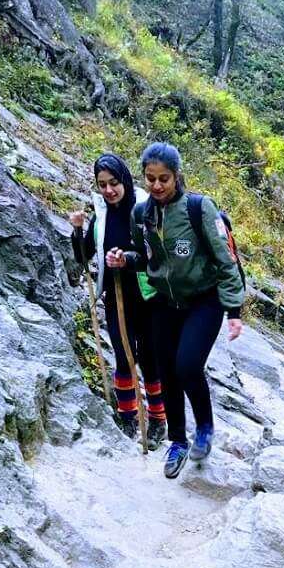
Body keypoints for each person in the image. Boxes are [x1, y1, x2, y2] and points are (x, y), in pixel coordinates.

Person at [107, 142, 244, 478]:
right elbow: (144, 257)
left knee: (187, 365)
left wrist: (234, 310)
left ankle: (205, 429)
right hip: (166, 302)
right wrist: (125, 259)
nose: (156, 186)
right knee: (166, 371)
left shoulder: (199, 209)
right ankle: (178, 441)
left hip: (204, 300)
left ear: (177, 175)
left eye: (164, 179)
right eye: (150, 179)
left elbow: (226, 261)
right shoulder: (142, 214)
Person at [70, 153, 167, 450]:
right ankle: (127, 415)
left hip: (148, 296)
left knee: (150, 360)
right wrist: (77, 230)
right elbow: (84, 256)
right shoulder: (100, 216)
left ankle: (158, 419)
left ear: (124, 179)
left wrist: (127, 259)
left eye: (113, 183)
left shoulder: (144, 209)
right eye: (102, 185)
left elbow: (159, 255)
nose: (109, 190)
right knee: (124, 357)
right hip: (116, 295)